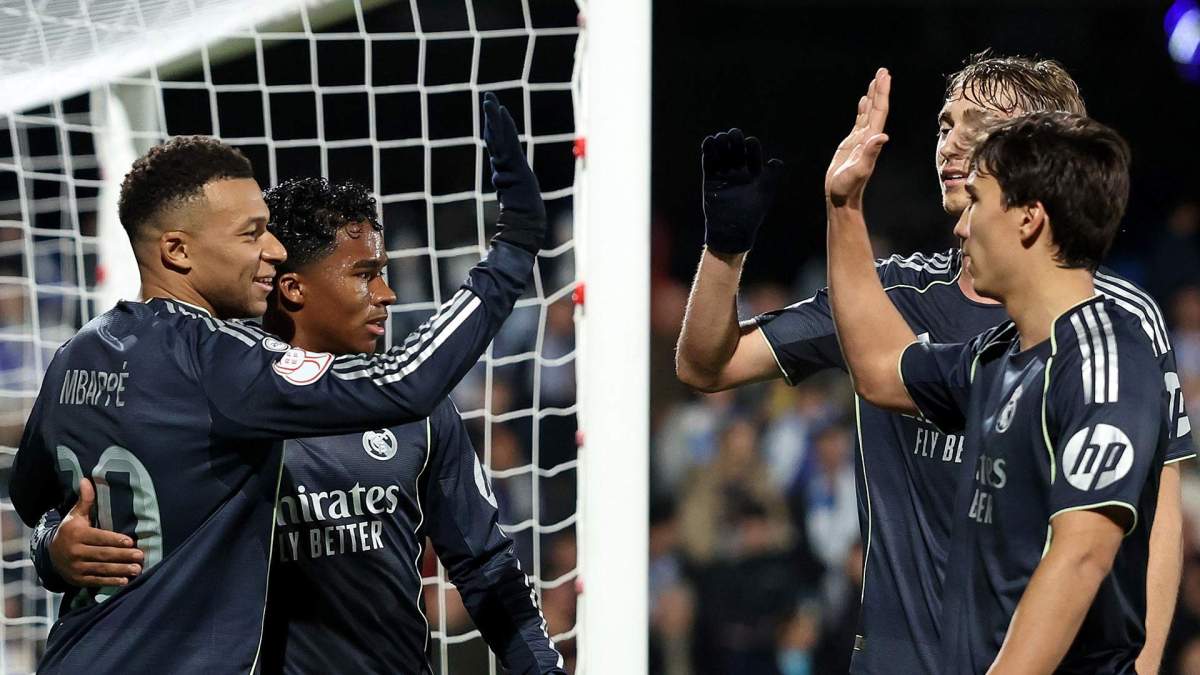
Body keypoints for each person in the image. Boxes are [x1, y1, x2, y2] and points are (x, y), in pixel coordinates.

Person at [674, 53, 1193, 673]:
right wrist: (735, 247)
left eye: (977, 126)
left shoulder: (1114, 329)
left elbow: (1139, 521)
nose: (950, 143)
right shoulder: (927, 320)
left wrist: (1147, 665)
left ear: (1039, 157)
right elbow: (719, 366)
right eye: (946, 124)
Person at [11, 92, 544, 673]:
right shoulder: (221, 366)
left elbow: (32, 494)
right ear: (177, 249)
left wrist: (51, 546)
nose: (273, 250)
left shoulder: (77, 356)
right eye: (251, 234)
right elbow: (408, 380)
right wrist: (514, 248)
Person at [826, 68, 1160, 672]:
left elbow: (1081, 555)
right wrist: (844, 207)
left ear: (1028, 217)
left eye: (976, 202)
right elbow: (878, 370)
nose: (960, 225)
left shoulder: (1105, 357)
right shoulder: (998, 357)